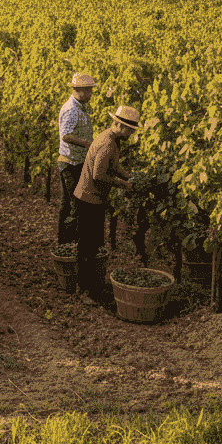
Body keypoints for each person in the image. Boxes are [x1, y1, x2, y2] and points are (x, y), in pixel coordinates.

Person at [73, 105, 138, 304]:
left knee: (91, 245)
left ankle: (90, 287)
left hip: (92, 198)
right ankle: (87, 291)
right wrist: (123, 184)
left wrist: (128, 176)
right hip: (88, 199)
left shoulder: (112, 140)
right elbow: (99, 175)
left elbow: (112, 165)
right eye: (129, 129)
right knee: (88, 247)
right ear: (119, 125)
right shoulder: (108, 144)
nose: (131, 133)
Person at [58, 72, 97, 245]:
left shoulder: (81, 106)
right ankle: (72, 244)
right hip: (71, 163)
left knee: (67, 203)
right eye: (88, 90)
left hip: (74, 161)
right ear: (78, 90)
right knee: (76, 205)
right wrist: (87, 144)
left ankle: (64, 241)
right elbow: (66, 135)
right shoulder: (72, 109)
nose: (90, 94)